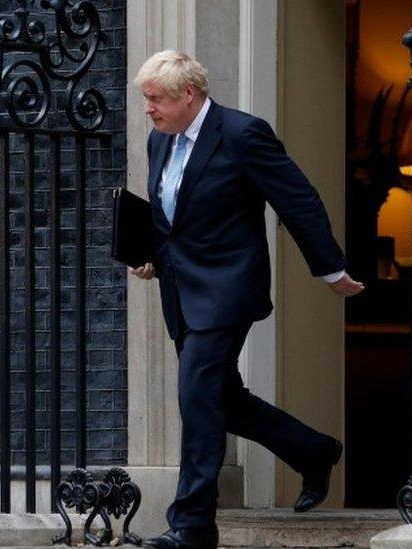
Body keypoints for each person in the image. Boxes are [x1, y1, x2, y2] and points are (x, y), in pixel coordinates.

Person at [130, 50, 364, 549]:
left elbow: (296, 197)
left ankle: (192, 526)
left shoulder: (242, 133)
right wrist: (147, 253)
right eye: (145, 99)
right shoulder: (159, 139)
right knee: (222, 400)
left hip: (228, 288)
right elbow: (167, 213)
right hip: (181, 289)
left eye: (154, 99)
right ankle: (314, 451)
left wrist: (330, 268)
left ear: (188, 94)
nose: (147, 109)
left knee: (196, 395)